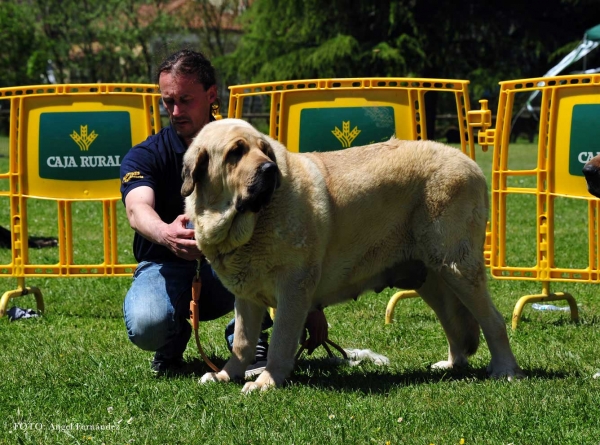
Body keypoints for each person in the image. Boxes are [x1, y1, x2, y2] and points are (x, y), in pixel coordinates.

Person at [120, 49, 328, 376]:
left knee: (253, 257)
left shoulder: (254, 150)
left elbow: (290, 230)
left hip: (239, 263)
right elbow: (137, 208)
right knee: (147, 323)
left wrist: (311, 304)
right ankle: (171, 337)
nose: (175, 111)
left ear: (211, 95)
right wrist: (165, 233)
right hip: (167, 264)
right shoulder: (147, 154)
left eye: (185, 100)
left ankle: (249, 340)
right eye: (167, 101)